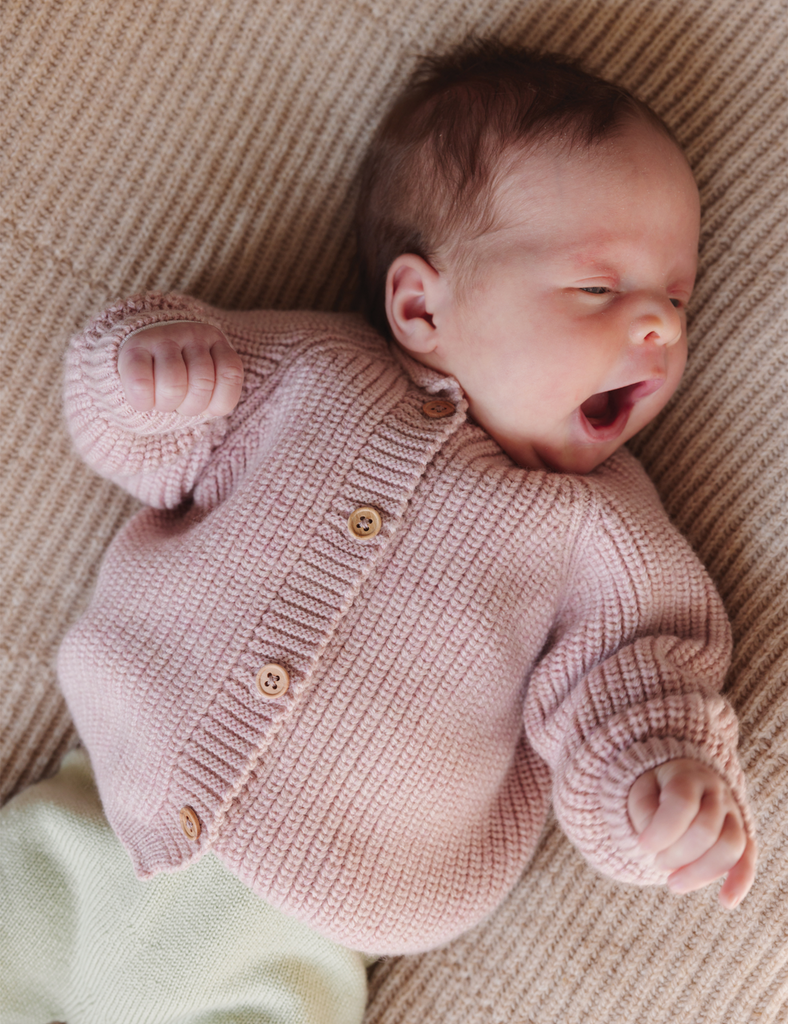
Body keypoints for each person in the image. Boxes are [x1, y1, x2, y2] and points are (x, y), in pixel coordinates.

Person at [0, 39, 756, 1022]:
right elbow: (141, 436)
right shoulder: (309, 374)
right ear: (418, 303)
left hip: (296, 944)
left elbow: (631, 690)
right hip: (94, 824)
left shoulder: (600, 532)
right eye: (596, 289)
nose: (656, 324)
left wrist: (657, 785)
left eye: (674, 296)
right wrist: (142, 370)